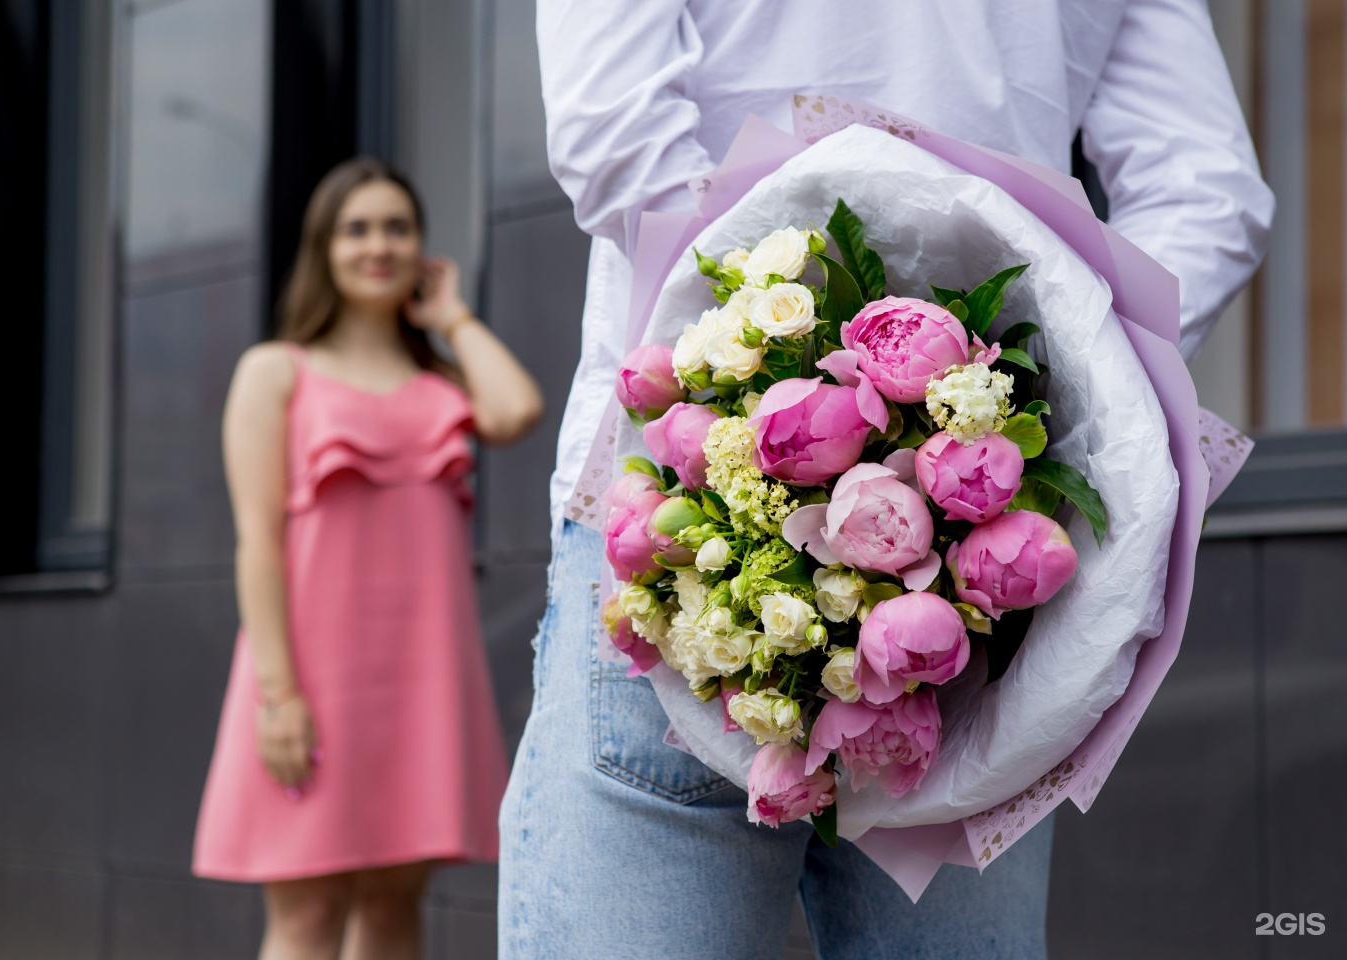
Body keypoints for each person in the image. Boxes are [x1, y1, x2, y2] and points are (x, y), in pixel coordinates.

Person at [501, 2, 1273, 958]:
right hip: (967, 572)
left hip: (684, 509)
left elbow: (612, 130)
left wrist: (752, 366)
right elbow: (1210, 192)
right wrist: (1053, 377)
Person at [194, 158, 542, 960]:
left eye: (397, 228)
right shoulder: (275, 372)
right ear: (324, 248)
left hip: (421, 682)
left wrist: (452, 315)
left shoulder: (441, 382)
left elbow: (517, 406)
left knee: (392, 913)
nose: (378, 246)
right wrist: (277, 696)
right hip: (307, 683)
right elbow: (257, 542)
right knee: (307, 918)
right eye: (356, 230)